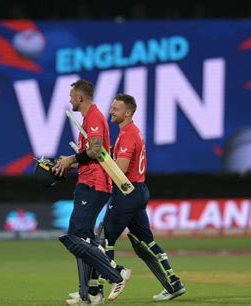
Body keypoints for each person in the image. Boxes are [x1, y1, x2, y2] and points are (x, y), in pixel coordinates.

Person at [53, 80, 131, 305]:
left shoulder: (95, 117)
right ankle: (89, 294)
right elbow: (91, 156)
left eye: (71, 96)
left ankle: (117, 273)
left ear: (80, 98)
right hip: (87, 182)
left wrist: (72, 159)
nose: (69, 100)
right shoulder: (89, 119)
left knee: (74, 237)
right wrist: (68, 163)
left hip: (94, 185)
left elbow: (96, 150)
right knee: (83, 239)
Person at [104, 94, 186, 301]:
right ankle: (174, 282)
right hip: (138, 191)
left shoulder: (127, 134)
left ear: (128, 112)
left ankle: (108, 282)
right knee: (147, 241)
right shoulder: (133, 132)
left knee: (104, 240)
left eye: (116, 108)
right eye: (112, 107)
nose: (111, 111)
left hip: (126, 192)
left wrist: (99, 161)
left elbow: (119, 171)